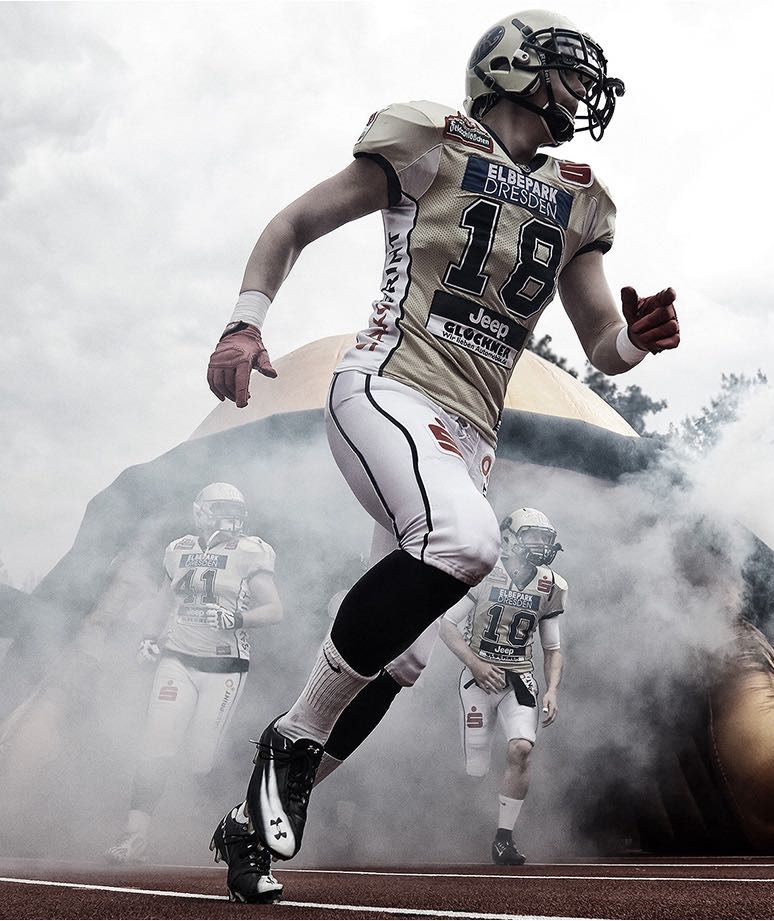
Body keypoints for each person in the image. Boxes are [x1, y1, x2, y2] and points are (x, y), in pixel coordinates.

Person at [200, 10, 677, 904]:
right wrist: (244, 321)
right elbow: (293, 222)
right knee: (466, 539)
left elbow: (601, 341)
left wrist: (637, 341)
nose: (584, 92)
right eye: (570, 72)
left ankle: (246, 820)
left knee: (405, 658)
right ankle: (291, 738)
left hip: (471, 434)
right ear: (515, 70)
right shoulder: (430, 138)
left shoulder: (579, 195)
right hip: (389, 386)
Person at [102, 483, 283, 865]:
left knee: (200, 758)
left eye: (234, 509)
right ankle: (134, 836)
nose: (228, 516)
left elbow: (274, 610)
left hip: (225, 666)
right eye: (219, 508)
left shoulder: (250, 551)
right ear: (200, 511)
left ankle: (227, 831)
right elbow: (164, 601)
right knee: (156, 746)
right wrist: (150, 637)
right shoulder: (179, 549)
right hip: (178, 659)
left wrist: (237, 618)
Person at [438, 508, 568, 865]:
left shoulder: (551, 585)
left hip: (519, 678)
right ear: (509, 537)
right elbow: (447, 626)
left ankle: (503, 839)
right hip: (479, 678)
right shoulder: (484, 572)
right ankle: (459, 826)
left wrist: (552, 690)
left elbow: (552, 649)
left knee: (522, 749)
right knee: (475, 767)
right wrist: (476, 664)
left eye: (545, 538)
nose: (541, 545)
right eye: (533, 537)